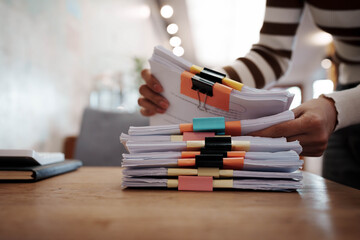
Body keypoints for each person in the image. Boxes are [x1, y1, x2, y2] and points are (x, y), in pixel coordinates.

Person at [138, 0, 360, 189]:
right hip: (343, 93)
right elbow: (271, 54)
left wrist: (339, 107)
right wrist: (191, 84)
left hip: (343, 104)